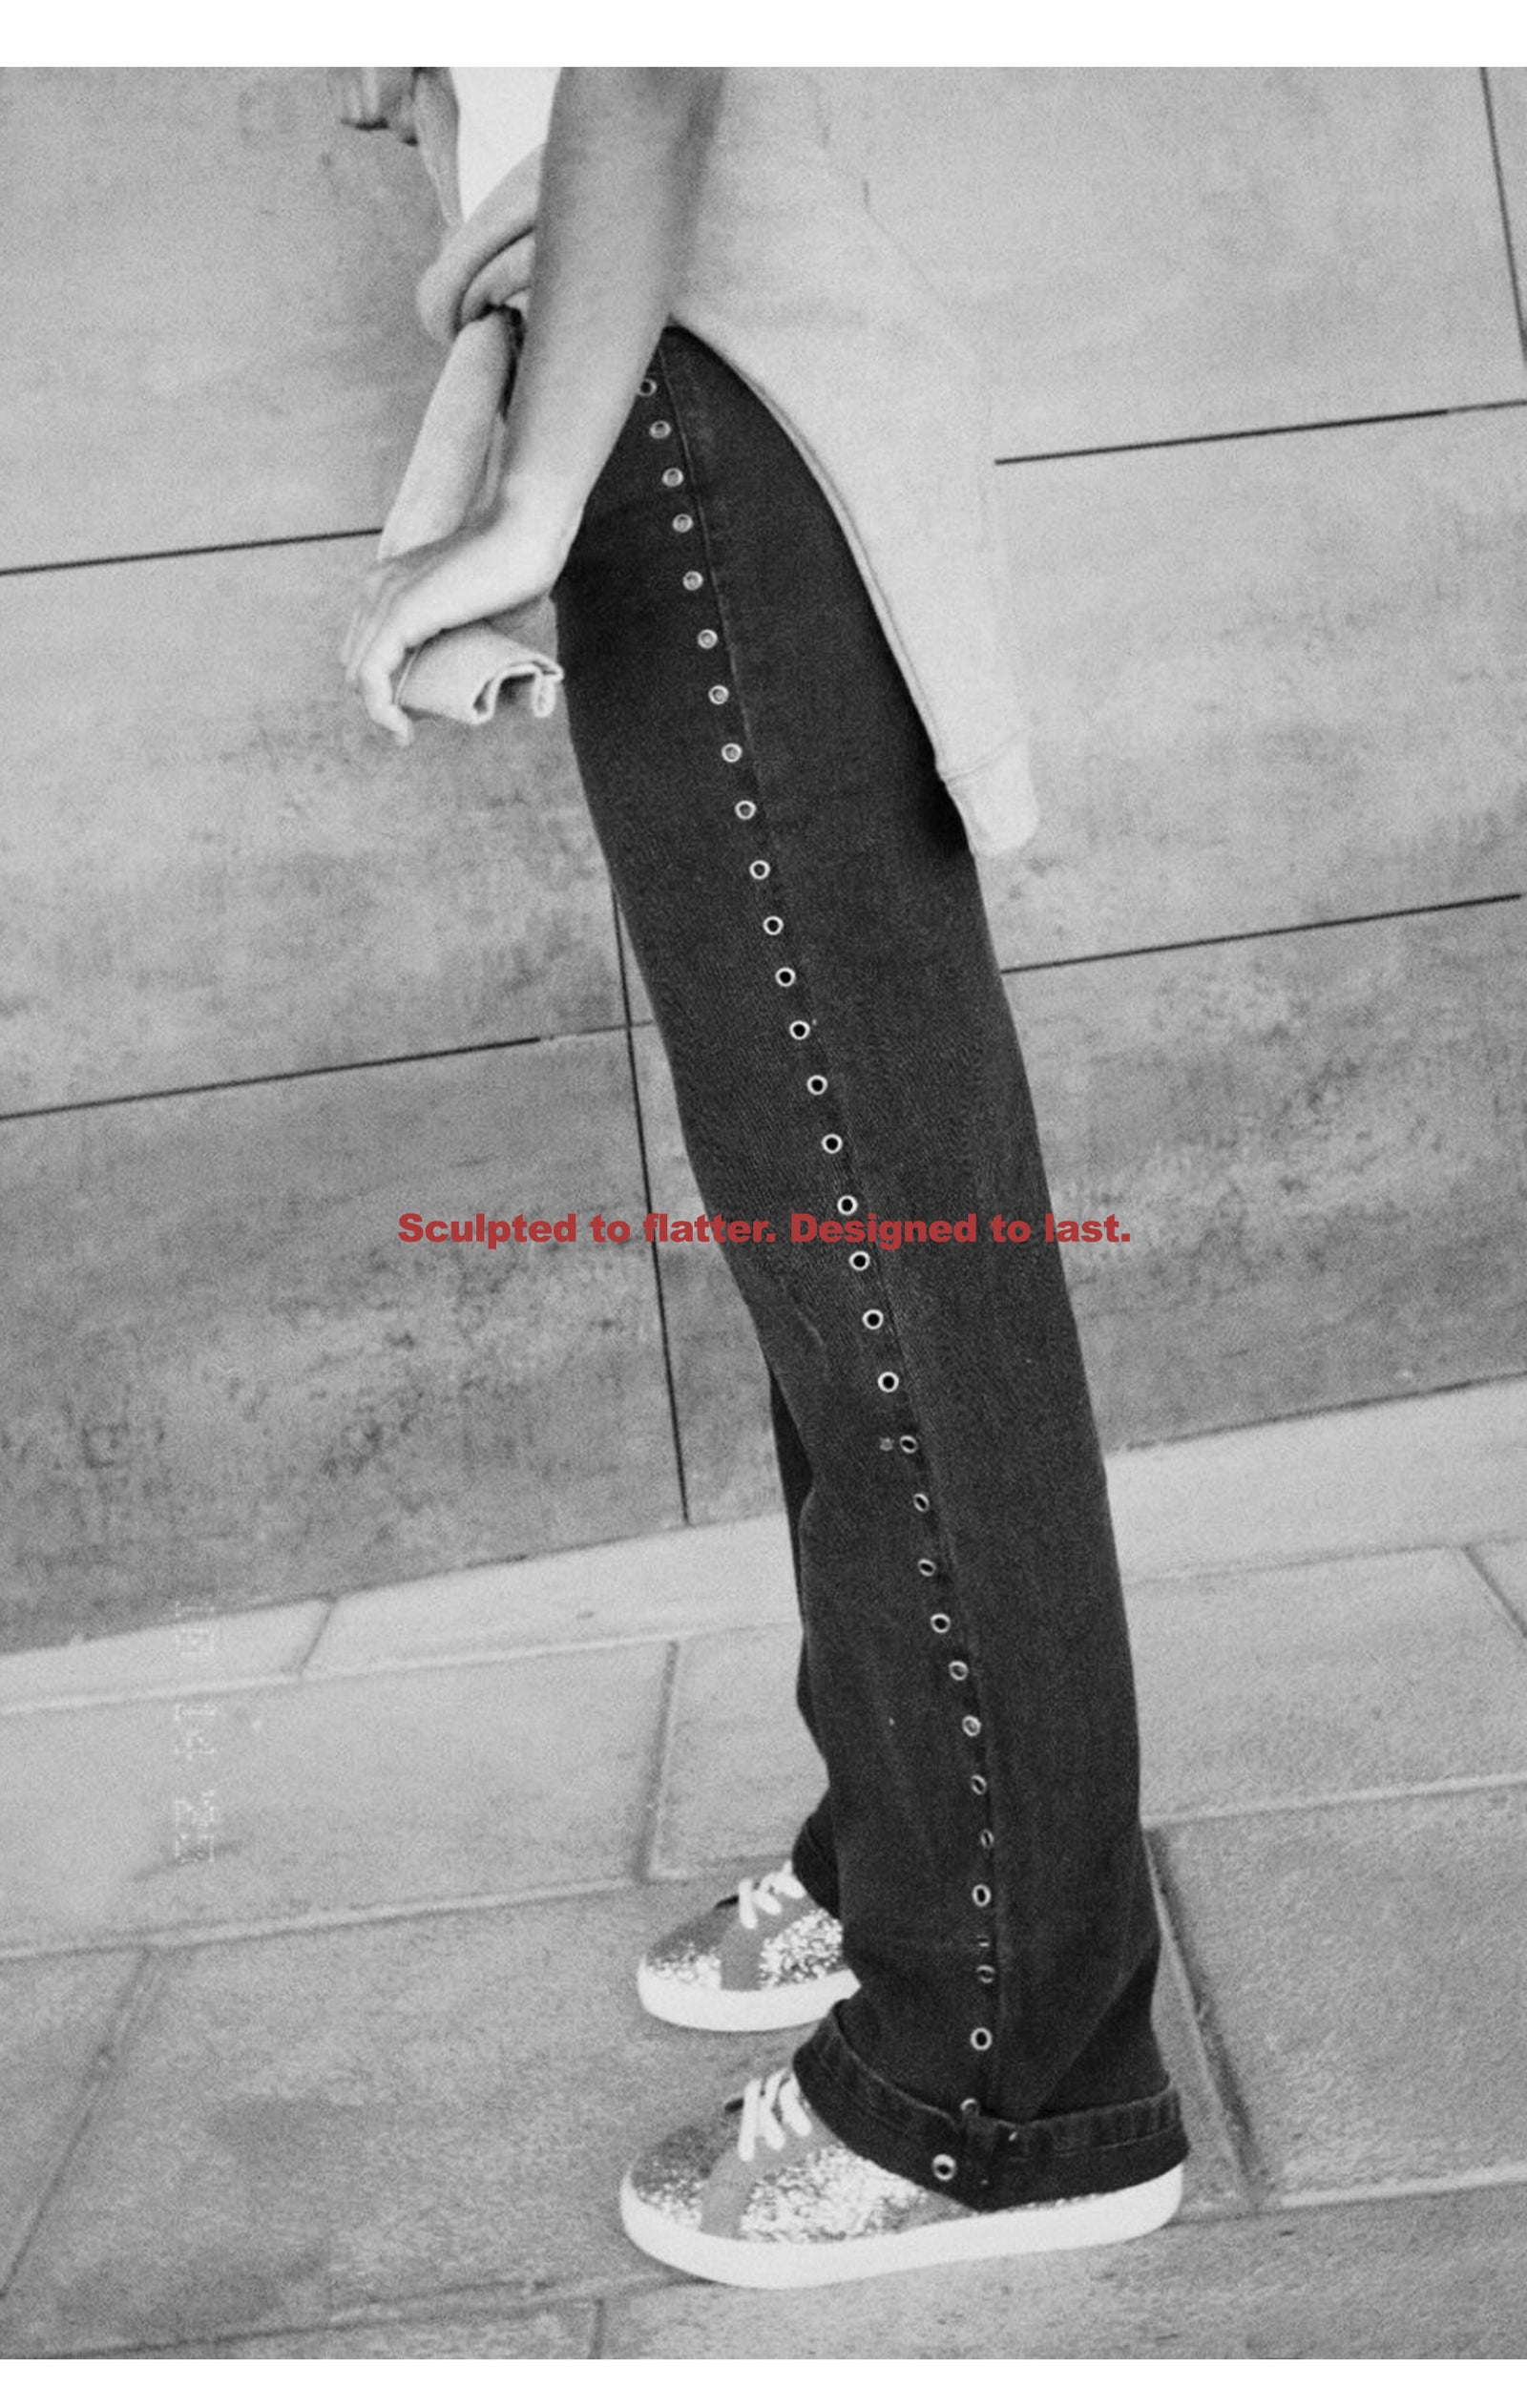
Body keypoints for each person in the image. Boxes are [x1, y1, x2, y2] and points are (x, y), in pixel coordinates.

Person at [337, 65, 1188, 2290]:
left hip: (697, 397)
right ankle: (912, 1851)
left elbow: (643, 57)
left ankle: (1010, 2087)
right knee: (841, 1257)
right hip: (664, 389)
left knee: (890, 1261)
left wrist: (533, 494)